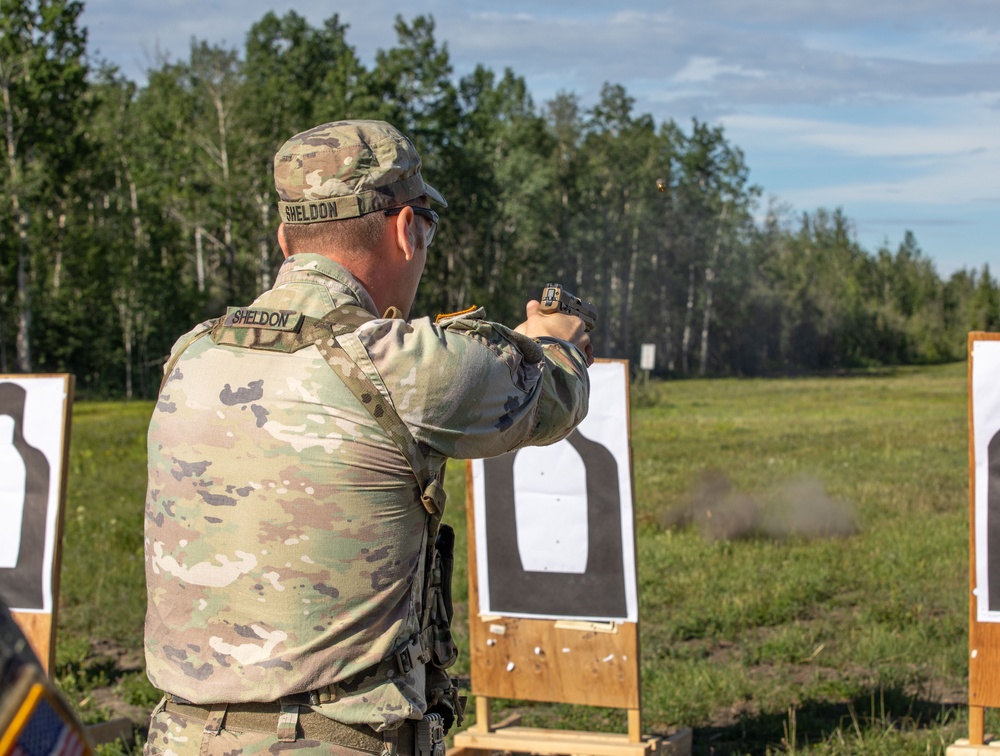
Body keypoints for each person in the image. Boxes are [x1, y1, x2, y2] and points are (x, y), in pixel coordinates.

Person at [142, 120, 592, 755]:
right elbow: (554, 396)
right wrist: (556, 337)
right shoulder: (395, 362)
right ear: (406, 228)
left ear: (284, 238)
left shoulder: (190, 354)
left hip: (179, 739)